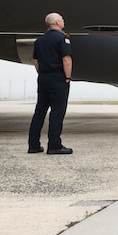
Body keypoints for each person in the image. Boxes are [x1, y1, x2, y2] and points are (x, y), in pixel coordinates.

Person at [28, 13, 73, 155]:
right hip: (57, 79)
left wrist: (42, 73)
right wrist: (67, 77)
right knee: (57, 112)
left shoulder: (39, 40)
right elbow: (66, 59)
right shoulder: (62, 38)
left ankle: (33, 145)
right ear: (57, 22)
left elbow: (35, 61)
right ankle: (54, 145)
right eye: (62, 19)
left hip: (43, 78)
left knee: (40, 111)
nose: (63, 20)